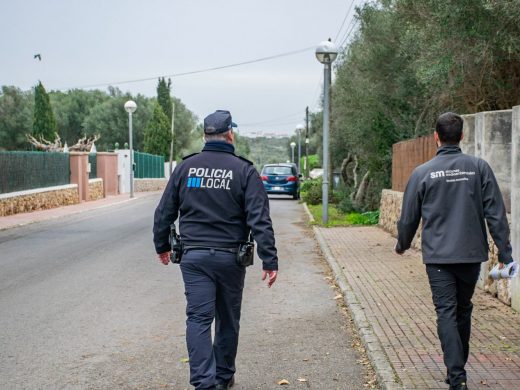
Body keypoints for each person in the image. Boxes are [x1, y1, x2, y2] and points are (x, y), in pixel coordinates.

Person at [153, 110, 278, 390]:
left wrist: (161, 245)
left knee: (198, 318)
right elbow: (259, 219)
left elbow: (163, 213)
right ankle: (222, 378)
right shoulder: (244, 170)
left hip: (193, 258)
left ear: (205, 136)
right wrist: (270, 260)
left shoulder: (186, 168)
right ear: (230, 135)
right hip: (230, 259)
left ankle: (204, 383)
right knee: (227, 319)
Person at [395, 112, 514, 390]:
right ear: (462, 136)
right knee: (462, 310)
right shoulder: (479, 168)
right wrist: (505, 255)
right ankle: (456, 372)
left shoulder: (422, 173)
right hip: (471, 255)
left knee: (446, 312)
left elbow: (408, 216)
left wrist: (402, 243)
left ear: (436, 136)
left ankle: (457, 378)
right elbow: (496, 215)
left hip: (438, 257)